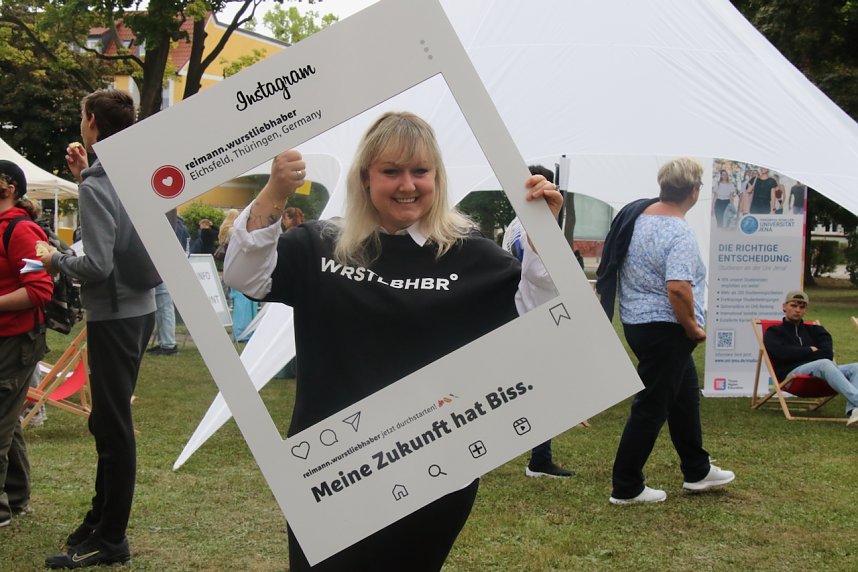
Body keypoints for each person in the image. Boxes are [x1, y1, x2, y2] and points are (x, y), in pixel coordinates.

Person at [224, 111, 562, 570]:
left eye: (420, 171)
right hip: (331, 467)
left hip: (432, 465)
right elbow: (246, 275)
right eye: (391, 171)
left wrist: (546, 242)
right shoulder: (323, 244)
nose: (408, 184)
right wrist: (275, 190)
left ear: (436, 178)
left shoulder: (472, 253)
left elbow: (538, 319)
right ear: (366, 178)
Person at [41, 88, 156, 568]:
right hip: (140, 308)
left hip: (115, 313)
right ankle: (99, 520)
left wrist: (55, 258)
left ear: (91, 121)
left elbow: (98, 263)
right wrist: (82, 173)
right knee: (107, 422)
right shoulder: (134, 173)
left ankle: (111, 539)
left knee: (113, 427)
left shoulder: (97, 184)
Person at [598, 157, 734, 505]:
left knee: (685, 395)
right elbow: (677, 288)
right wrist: (693, 327)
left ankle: (697, 469)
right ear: (694, 191)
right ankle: (626, 487)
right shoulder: (679, 232)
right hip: (667, 329)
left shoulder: (637, 217)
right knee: (651, 406)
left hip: (637, 323)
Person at [501, 165, 573, 479]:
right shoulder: (530, 227)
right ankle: (539, 459)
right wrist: (569, 279)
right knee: (543, 390)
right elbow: (539, 273)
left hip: (526, 312)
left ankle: (539, 456)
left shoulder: (517, 224)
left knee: (536, 389)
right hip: (537, 315)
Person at [0, 160, 52, 528]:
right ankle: (16, 499)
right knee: (7, 418)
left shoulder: (21, 231)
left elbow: (40, 290)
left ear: (7, 188)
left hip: (16, 342)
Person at [764, 290, 858, 427]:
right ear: (784, 306)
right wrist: (809, 350)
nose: (797, 310)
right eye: (793, 306)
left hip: (821, 374)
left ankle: (854, 411)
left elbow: (826, 353)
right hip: (791, 377)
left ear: (806, 310)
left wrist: (796, 353)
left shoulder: (817, 330)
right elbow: (781, 354)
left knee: (855, 367)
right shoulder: (774, 332)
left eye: (802, 307)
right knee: (824, 364)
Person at [148, 212, 188, 356]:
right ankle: (165, 342)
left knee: (164, 306)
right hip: (170, 268)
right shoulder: (180, 225)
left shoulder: (170, 225)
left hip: (164, 267)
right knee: (163, 306)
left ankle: (168, 344)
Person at [219, 209, 258, 342]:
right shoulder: (233, 231)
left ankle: (245, 330)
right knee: (244, 301)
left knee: (244, 300)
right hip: (241, 269)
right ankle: (243, 331)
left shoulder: (227, 229)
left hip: (237, 269)